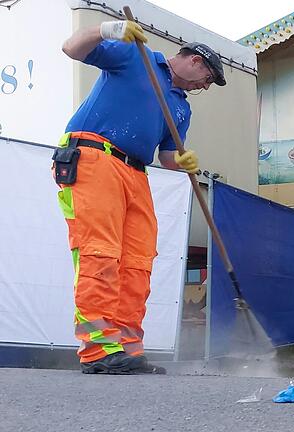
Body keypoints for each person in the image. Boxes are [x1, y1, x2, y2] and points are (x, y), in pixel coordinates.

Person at [57, 19, 226, 374]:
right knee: (100, 252)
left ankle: (127, 347)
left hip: (136, 171)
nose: (204, 87)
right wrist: (105, 30)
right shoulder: (138, 58)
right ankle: (98, 349)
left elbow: (167, 157)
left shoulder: (182, 107)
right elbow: (72, 48)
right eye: (207, 79)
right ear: (196, 61)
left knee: (138, 261)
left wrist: (183, 161)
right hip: (93, 156)